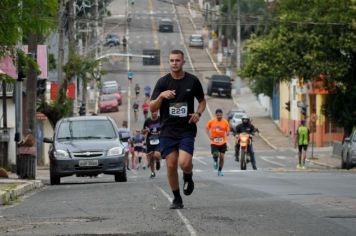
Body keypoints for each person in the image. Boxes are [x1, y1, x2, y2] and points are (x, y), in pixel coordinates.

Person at [150, 49, 206, 209]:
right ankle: (177, 198)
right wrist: (161, 96)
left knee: (184, 162)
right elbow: (152, 108)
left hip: (186, 129)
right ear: (169, 62)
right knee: (171, 164)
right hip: (167, 130)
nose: (174, 63)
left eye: (177, 60)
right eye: (172, 60)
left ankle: (188, 176)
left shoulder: (192, 81)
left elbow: (202, 101)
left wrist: (198, 113)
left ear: (183, 62)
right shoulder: (162, 83)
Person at [206, 109, 230, 176]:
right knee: (215, 154)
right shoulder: (212, 121)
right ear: (216, 115)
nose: (219, 116)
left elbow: (228, 129)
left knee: (222, 157)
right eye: (218, 115)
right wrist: (209, 135)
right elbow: (207, 127)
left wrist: (227, 133)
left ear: (222, 114)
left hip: (223, 142)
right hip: (214, 141)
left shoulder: (225, 122)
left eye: (220, 115)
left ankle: (219, 171)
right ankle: (215, 160)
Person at [143, 110, 161, 178]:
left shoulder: (160, 119)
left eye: (155, 112)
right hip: (150, 140)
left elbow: (164, 128)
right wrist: (146, 130)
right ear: (151, 112)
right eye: (153, 112)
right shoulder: (147, 121)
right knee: (151, 158)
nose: (154, 113)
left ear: (157, 112)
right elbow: (143, 131)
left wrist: (161, 132)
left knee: (156, 155)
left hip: (158, 140)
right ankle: (153, 172)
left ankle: (158, 161)